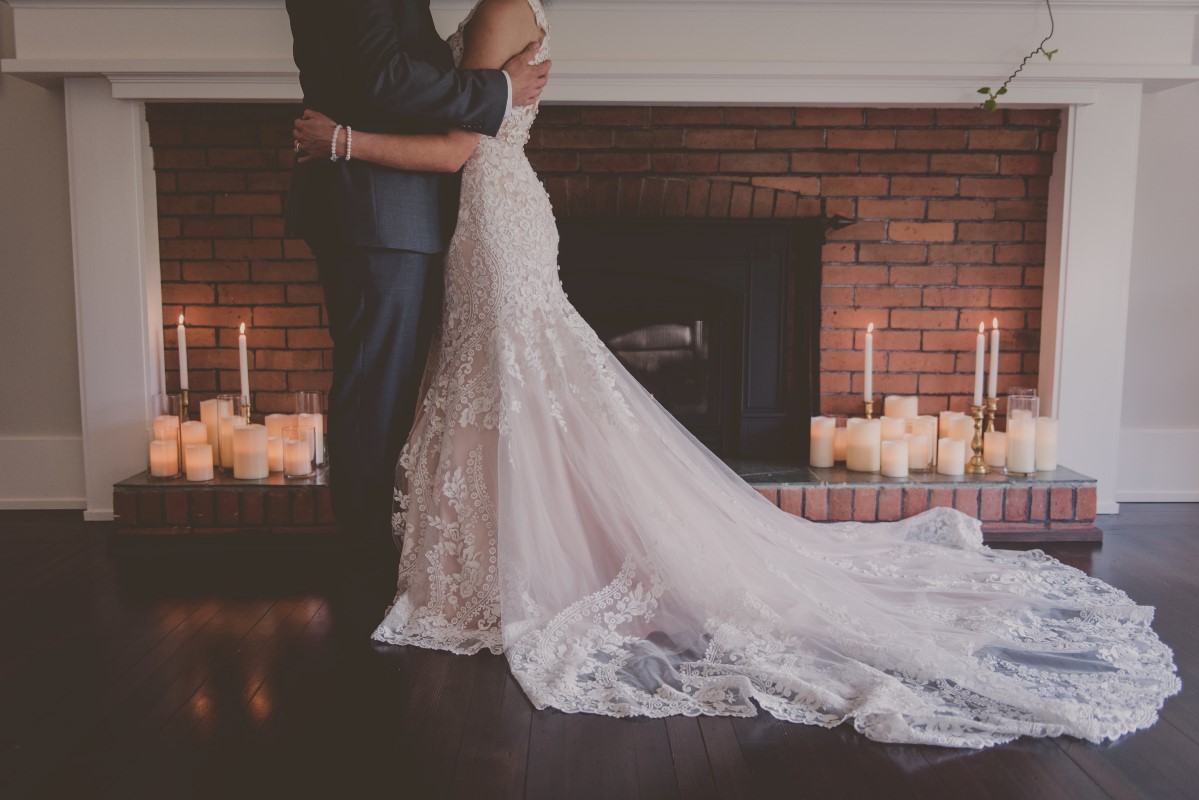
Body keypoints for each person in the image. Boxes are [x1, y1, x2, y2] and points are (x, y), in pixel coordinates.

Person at [292, 0, 1180, 748]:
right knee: (518, 392)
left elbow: (458, 147)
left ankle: (519, 562)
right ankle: (508, 557)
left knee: (525, 388)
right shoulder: (500, 8)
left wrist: (340, 140)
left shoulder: (494, 13)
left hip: (490, 214)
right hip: (490, 217)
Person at [284, 0, 550, 552]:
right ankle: (367, 553)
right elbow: (383, 77)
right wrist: (496, 91)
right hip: (380, 213)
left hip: (399, 213)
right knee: (378, 394)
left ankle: (384, 546)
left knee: (389, 389)